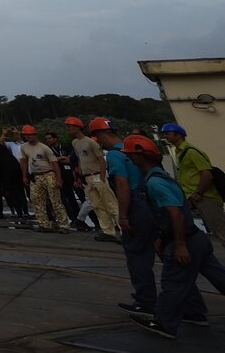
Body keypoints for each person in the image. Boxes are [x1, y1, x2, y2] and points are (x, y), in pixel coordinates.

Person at [123, 133, 225, 339]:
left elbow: (175, 213)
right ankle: (195, 313)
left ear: (142, 157)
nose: (130, 159)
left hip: (186, 239)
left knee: (174, 282)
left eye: (131, 155)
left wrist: (179, 244)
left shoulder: (154, 183)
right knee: (218, 276)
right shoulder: (163, 177)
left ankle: (164, 322)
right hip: (197, 238)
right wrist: (163, 237)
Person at [95, 116, 161, 319]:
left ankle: (146, 302)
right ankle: (192, 308)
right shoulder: (135, 149)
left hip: (135, 206)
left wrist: (123, 216)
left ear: (102, 135)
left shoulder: (116, 155)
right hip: (152, 204)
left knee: (137, 255)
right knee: (167, 254)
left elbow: (123, 185)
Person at [161, 123, 225, 240]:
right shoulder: (180, 152)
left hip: (206, 197)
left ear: (178, 135)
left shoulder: (191, 151)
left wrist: (198, 193)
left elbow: (207, 175)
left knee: (221, 231)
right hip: (195, 197)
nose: (165, 137)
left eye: (167, 134)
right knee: (217, 231)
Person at [22, 125, 70, 233]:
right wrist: (24, 176)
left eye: (30, 135)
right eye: (26, 135)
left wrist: (58, 179)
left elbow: (55, 164)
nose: (28, 137)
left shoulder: (44, 148)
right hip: (36, 175)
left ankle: (64, 225)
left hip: (49, 174)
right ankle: (44, 224)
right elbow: (23, 161)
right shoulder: (23, 147)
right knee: (36, 199)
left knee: (55, 200)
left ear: (35, 135)